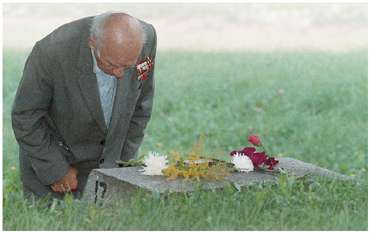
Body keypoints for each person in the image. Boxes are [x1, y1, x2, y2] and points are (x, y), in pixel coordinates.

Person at [11, 12, 157, 200]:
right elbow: (25, 116)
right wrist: (56, 169)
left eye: (128, 66)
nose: (120, 74)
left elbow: (141, 105)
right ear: (92, 43)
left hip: (111, 169)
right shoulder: (51, 52)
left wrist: (122, 164)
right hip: (55, 170)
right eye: (111, 64)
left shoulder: (147, 38)